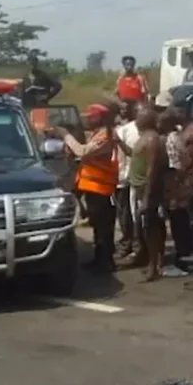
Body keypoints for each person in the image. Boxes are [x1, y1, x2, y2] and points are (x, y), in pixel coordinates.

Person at [55, 103, 118, 272]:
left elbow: (83, 151)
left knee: (102, 227)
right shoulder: (98, 134)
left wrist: (67, 136)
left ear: (100, 118)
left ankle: (105, 262)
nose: (87, 120)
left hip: (101, 188)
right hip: (94, 187)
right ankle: (100, 260)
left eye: (91, 117)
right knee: (98, 226)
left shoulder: (105, 135)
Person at [127, 107, 168, 282]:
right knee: (148, 227)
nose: (135, 121)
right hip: (140, 188)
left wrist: (147, 197)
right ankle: (155, 263)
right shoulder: (144, 138)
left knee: (150, 229)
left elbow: (152, 169)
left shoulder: (151, 139)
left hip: (147, 189)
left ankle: (154, 267)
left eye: (139, 118)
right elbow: (135, 156)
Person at [160, 108, 193, 272]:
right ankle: (187, 256)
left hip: (179, 185)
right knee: (182, 221)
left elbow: (183, 164)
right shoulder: (179, 135)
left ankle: (185, 259)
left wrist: (179, 185)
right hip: (182, 183)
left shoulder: (177, 137)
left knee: (180, 222)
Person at [113, 100, 142, 262]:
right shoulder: (124, 130)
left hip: (139, 180)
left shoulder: (150, 131)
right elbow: (119, 157)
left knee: (136, 215)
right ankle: (127, 243)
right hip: (124, 178)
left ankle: (135, 246)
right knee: (125, 214)